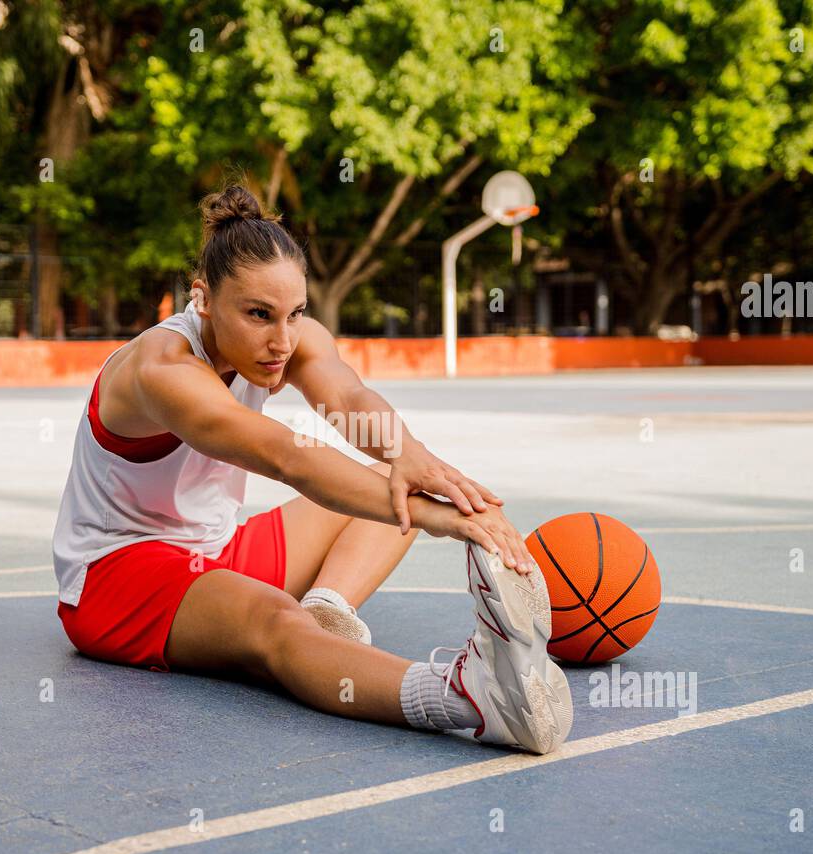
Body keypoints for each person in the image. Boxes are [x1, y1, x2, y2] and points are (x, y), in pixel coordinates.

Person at [52, 182, 572, 753]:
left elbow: (349, 401)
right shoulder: (161, 369)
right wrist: (444, 517)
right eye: (259, 315)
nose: (281, 341)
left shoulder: (283, 338)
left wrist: (414, 459)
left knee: (381, 493)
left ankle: (325, 615)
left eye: (295, 314)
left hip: (217, 549)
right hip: (116, 577)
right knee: (277, 617)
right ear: (202, 298)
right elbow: (288, 456)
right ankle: (466, 697)